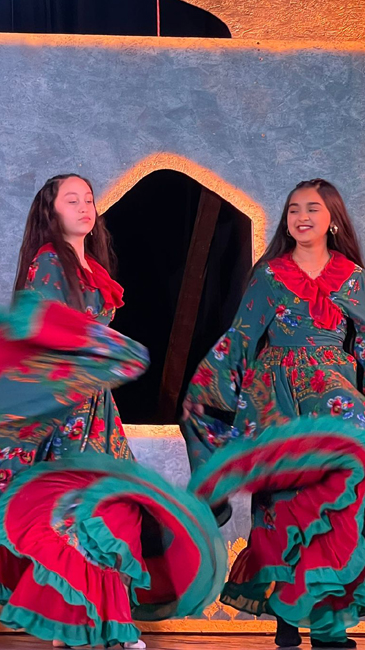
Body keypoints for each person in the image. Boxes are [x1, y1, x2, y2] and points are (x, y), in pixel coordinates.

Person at [0, 174, 228, 648]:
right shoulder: (48, 263)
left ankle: (100, 625)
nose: (84, 207)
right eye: (72, 200)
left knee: (108, 509)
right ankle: (74, 626)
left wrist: (107, 354)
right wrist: (110, 349)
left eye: (89, 199)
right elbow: (47, 329)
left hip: (96, 406)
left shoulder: (91, 265)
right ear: (51, 211)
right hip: (65, 409)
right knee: (81, 512)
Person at [182, 179, 365, 649]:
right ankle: (285, 612)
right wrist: (205, 387)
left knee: (337, 501)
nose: (302, 217)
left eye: (313, 208)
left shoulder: (352, 277)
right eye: (294, 209)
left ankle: (326, 625)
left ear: (333, 218)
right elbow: (241, 336)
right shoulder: (270, 275)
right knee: (281, 504)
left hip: (333, 393)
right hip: (276, 396)